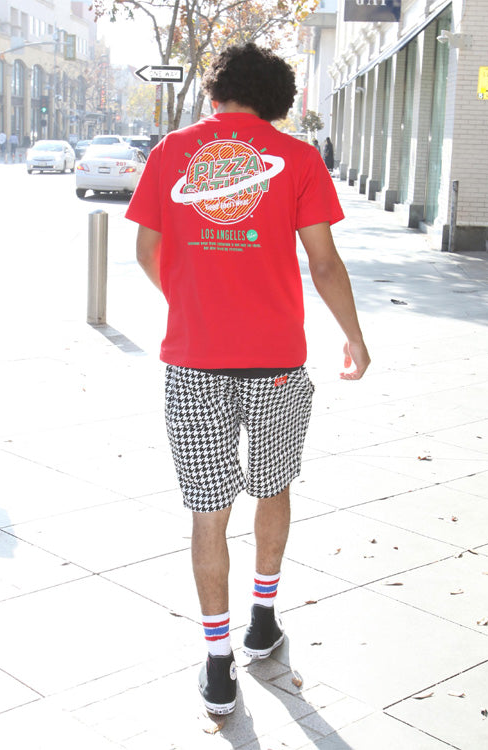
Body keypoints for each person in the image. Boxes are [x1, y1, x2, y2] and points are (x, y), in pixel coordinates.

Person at [125, 42, 370, 716]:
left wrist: (186, 302)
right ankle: (262, 621)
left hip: (194, 361)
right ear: (278, 102)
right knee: (272, 485)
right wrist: (353, 335)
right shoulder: (298, 159)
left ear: (215, 93)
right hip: (276, 363)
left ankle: (217, 662)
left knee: (208, 509)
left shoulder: (172, 152)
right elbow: (323, 263)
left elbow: (145, 248)